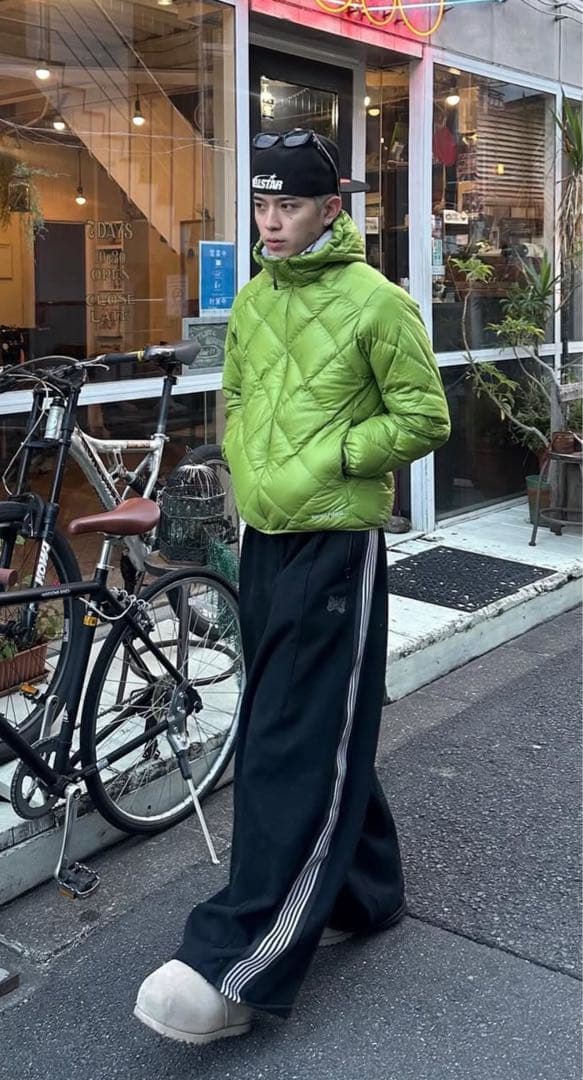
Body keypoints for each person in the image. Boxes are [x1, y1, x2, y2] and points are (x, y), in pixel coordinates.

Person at [134, 129, 451, 1044]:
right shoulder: (254, 300)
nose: (270, 222)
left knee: (286, 738)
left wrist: (333, 458)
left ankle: (238, 959)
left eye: (290, 206)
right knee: (307, 722)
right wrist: (246, 466)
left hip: (335, 542)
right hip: (266, 541)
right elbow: (236, 397)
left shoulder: (378, 302)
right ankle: (368, 891)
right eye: (262, 205)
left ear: (329, 210)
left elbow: (424, 415)